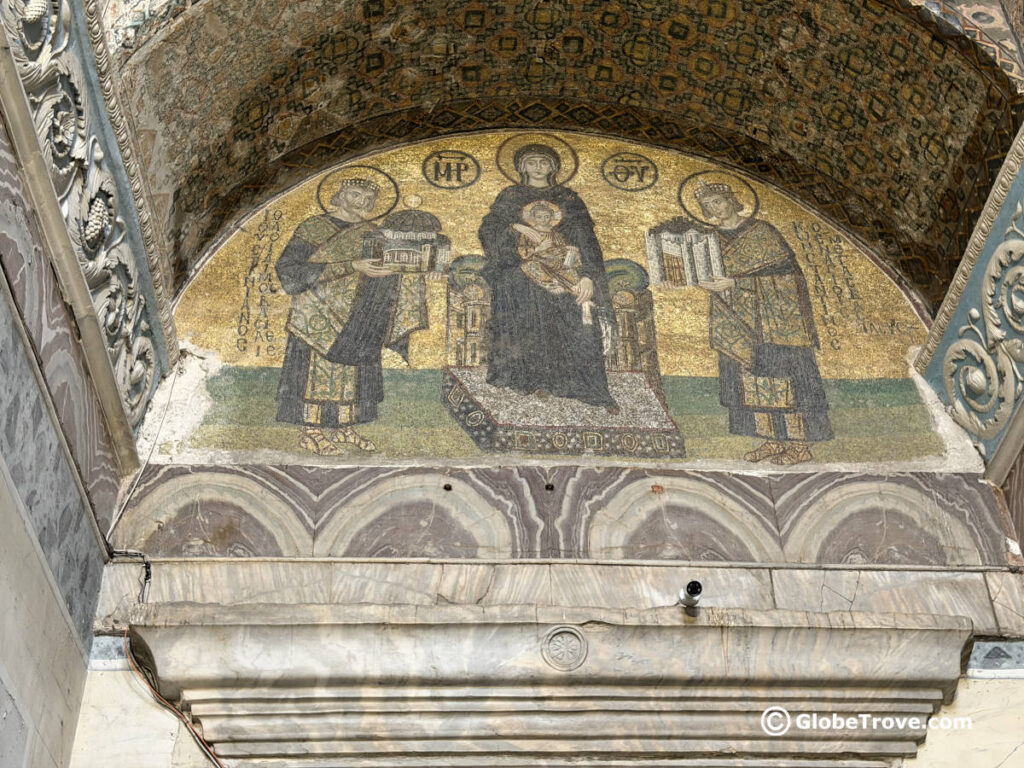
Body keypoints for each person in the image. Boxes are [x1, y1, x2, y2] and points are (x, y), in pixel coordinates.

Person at [274, 177, 427, 455]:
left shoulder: (373, 232)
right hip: (317, 313)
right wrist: (352, 265)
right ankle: (311, 431)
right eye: (355, 194)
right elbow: (289, 270)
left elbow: (393, 263)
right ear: (338, 194)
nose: (360, 202)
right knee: (317, 373)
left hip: (360, 314)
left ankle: (345, 426)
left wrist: (414, 273)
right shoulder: (314, 227)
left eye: (367, 199)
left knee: (353, 373)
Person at [694, 180, 832, 464]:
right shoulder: (710, 240)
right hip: (735, 319)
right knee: (750, 380)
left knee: (784, 379)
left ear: (732, 199)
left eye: (718, 201)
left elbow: (790, 279)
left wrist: (736, 283)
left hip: (776, 321)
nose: (715, 209)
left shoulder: (763, 233)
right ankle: (771, 440)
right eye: (708, 207)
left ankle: (798, 443)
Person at [478, 143, 618, 412]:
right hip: (521, 269)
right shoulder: (511, 195)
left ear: (554, 167)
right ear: (522, 167)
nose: (538, 167)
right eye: (532, 162)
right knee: (522, 296)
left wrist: (588, 276)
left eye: (544, 162)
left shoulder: (568, 197)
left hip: (567, 270)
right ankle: (530, 378)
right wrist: (515, 227)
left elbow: (586, 238)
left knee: (579, 311)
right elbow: (489, 230)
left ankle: (585, 387)